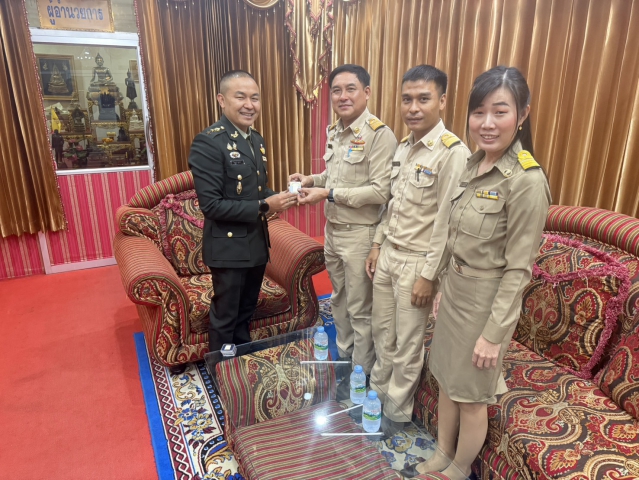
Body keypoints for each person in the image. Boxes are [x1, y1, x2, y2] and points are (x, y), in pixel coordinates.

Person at [403, 66, 551, 479]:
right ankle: (442, 453)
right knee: (447, 381)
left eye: (499, 112)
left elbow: (519, 270)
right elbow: (454, 238)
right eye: (479, 112)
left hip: (486, 305)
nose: (487, 123)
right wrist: (440, 288)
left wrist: (493, 335)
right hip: (455, 293)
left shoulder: (526, 181)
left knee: (471, 397)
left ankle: (459, 468)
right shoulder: (474, 164)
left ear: (522, 114)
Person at [365, 65, 469, 436]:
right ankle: (375, 397)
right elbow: (391, 204)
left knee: (407, 343)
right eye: (407, 99)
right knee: (382, 332)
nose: (413, 107)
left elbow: (446, 223)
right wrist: (377, 243)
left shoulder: (452, 153)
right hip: (389, 254)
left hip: (417, 262)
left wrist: (429, 275)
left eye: (423, 99)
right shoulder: (404, 147)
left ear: (442, 101)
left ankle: (395, 414)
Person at [289, 64, 397, 392]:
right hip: (333, 232)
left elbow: (380, 191)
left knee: (360, 309)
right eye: (336, 90)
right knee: (339, 301)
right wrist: (312, 179)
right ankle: (345, 359)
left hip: (361, 234)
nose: (343, 96)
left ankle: (360, 373)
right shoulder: (336, 131)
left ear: (367, 92)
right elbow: (332, 176)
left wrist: (329, 193)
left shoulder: (379, 135)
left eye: (351, 89)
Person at [188, 70, 298, 353]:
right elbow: (211, 205)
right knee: (226, 315)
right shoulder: (209, 142)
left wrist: (283, 196)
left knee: (247, 309)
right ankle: (221, 368)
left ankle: (241, 360)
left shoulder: (255, 139)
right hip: (228, 249)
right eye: (241, 97)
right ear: (221, 100)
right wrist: (266, 206)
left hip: (256, 242)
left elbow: (255, 190)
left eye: (255, 98)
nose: (250, 105)